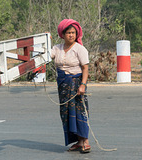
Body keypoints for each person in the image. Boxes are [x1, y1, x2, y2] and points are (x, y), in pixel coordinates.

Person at [51, 19, 90, 153]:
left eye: (73, 33)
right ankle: (78, 142)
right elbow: (46, 56)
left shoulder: (80, 49)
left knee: (79, 112)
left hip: (76, 84)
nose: (71, 35)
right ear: (63, 34)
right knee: (66, 113)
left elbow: (85, 68)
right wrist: (45, 39)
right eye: (68, 33)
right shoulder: (57, 48)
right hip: (63, 85)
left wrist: (83, 85)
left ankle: (85, 141)